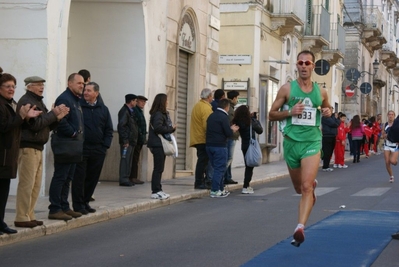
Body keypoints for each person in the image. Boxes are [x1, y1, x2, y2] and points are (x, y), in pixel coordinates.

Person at [268, 50, 332, 247]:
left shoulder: (321, 92)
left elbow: (327, 109)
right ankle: (310, 189)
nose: (304, 66)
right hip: (291, 143)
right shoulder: (287, 89)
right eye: (300, 62)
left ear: (313, 66)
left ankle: (300, 227)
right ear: (297, 65)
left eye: (307, 63)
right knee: (299, 188)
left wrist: (329, 111)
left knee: (305, 186)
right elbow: (271, 114)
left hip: (312, 143)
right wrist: (290, 112)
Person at [14, 76, 69, 228]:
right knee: (27, 183)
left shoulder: (38, 101)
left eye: (42, 84)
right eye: (38, 85)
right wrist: (52, 113)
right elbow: (35, 125)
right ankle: (21, 216)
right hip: (27, 148)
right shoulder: (27, 101)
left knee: (35, 184)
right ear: (29, 87)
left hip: (37, 147)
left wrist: (57, 118)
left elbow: (45, 126)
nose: (41, 87)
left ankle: (29, 214)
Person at [0, 69, 42, 234]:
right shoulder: (2, 105)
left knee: (3, 192)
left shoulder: (12, 103)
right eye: (8, 86)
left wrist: (28, 118)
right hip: (2, 154)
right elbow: (4, 126)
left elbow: (17, 125)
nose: (11, 89)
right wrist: (21, 117)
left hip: (8, 154)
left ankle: (1, 222)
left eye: (13, 86)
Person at [72, 82, 113, 214]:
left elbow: (108, 129)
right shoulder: (79, 107)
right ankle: (78, 205)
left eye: (89, 91)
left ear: (96, 93)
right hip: (82, 148)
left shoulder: (103, 109)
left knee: (92, 178)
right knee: (79, 178)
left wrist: (105, 146)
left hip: (98, 150)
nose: (85, 93)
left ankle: (85, 202)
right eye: (85, 90)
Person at [48, 73, 85, 221]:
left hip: (74, 145)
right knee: (60, 176)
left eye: (83, 83)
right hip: (65, 143)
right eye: (79, 83)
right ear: (70, 83)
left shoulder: (75, 100)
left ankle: (64, 206)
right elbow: (61, 120)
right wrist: (73, 133)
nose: (82, 86)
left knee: (68, 177)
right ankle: (55, 208)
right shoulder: (64, 98)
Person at [206, 98, 239, 198]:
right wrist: (232, 129)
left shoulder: (211, 116)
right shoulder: (224, 117)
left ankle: (220, 189)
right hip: (220, 146)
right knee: (220, 169)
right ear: (227, 107)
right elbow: (227, 133)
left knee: (216, 168)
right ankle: (215, 190)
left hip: (209, 145)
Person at [147, 93, 176, 199]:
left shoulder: (159, 113)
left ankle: (158, 189)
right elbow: (158, 128)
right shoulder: (159, 114)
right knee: (158, 168)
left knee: (159, 168)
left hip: (157, 143)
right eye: (166, 100)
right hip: (157, 144)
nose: (167, 102)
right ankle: (155, 190)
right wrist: (171, 129)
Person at [232, 105, 263, 194]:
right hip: (251, 145)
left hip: (244, 145)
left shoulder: (238, 121)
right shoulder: (250, 122)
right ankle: (246, 186)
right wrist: (255, 119)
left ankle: (246, 185)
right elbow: (260, 130)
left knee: (248, 165)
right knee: (250, 167)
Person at [189, 88, 213, 189]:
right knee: (202, 162)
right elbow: (207, 125)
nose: (212, 98)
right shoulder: (206, 108)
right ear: (208, 97)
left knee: (201, 161)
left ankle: (200, 181)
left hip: (197, 137)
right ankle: (199, 182)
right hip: (203, 138)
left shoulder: (197, 105)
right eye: (211, 96)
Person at [118, 94, 138, 187]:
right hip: (127, 142)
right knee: (125, 160)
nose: (136, 103)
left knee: (128, 160)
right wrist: (125, 140)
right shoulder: (124, 111)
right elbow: (122, 126)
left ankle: (127, 178)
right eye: (135, 101)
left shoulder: (130, 111)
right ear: (131, 101)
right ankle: (123, 179)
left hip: (131, 141)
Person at [129, 95, 148, 185]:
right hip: (136, 139)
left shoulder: (139, 111)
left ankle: (134, 176)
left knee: (136, 158)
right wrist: (140, 135)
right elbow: (136, 125)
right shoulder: (135, 111)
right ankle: (133, 177)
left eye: (144, 102)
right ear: (136, 101)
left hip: (140, 139)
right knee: (134, 158)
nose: (143, 103)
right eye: (141, 101)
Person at [224, 90, 240, 185]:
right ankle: (221, 176)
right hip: (231, 136)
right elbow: (231, 122)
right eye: (237, 98)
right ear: (234, 98)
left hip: (230, 136)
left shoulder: (230, 107)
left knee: (229, 158)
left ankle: (228, 177)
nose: (237, 100)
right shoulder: (230, 109)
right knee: (229, 158)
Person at [321, 107, 340, 171]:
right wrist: (335, 120)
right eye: (330, 110)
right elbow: (334, 124)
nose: (331, 111)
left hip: (333, 136)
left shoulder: (333, 117)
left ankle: (327, 165)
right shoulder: (325, 117)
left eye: (332, 110)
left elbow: (338, 122)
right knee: (327, 151)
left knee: (330, 151)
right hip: (327, 136)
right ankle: (325, 166)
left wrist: (335, 118)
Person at [382, 110, 398, 183]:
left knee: (393, 161)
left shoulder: (396, 124)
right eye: (389, 114)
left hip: (395, 145)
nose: (390, 116)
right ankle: (391, 176)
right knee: (387, 162)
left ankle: (395, 161)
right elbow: (383, 135)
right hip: (387, 145)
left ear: (394, 116)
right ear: (387, 116)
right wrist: (385, 136)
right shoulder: (385, 125)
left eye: (392, 114)